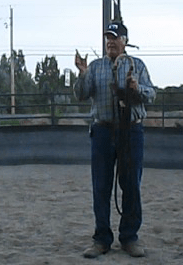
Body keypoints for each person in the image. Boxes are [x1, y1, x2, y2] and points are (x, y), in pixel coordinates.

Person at [73, 22, 156, 258]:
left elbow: (151, 94)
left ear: (125, 41)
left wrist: (137, 88)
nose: (110, 41)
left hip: (131, 131)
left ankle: (129, 237)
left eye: (115, 37)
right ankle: (101, 239)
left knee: (131, 185)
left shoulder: (137, 65)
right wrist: (82, 73)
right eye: (107, 37)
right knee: (101, 186)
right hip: (103, 131)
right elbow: (80, 94)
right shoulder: (96, 67)